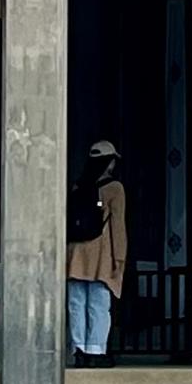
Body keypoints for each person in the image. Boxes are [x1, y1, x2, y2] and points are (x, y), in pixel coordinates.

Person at [65, 140, 126, 367]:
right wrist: (119, 258)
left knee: (76, 303)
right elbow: (117, 226)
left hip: (74, 255)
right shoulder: (114, 188)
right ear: (110, 162)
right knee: (99, 304)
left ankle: (78, 349)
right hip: (100, 255)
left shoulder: (77, 186)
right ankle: (96, 351)